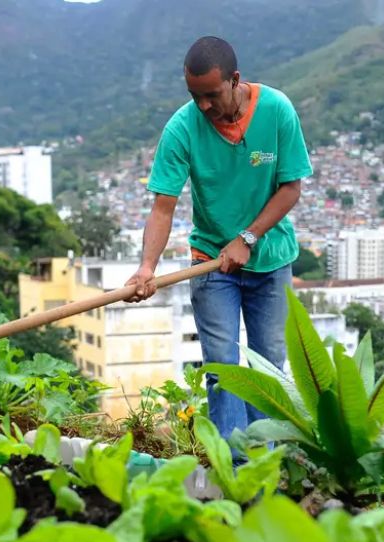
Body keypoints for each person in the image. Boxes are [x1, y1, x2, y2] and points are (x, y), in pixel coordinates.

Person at [126, 36, 313, 444]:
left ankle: (264, 458)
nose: (203, 105)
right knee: (222, 368)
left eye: (211, 95)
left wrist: (248, 237)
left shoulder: (277, 111)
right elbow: (163, 207)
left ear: (235, 80)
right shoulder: (182, 128)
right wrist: (146, 267)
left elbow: (291, 188)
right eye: (195, 95)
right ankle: (234, 462)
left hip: (271, 260)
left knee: (267, 368)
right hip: (211, 261)